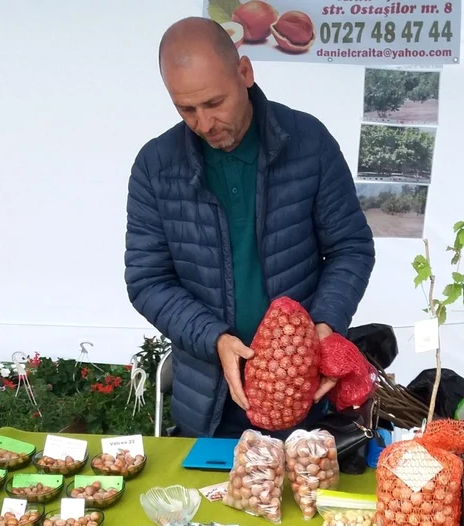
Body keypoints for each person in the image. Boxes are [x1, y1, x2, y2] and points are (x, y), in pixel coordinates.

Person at [124, 16, 375, 439]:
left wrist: (324, 327)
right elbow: (147, 280)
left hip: (303, 390)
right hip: (210, 398)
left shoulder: (308, 142)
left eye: (214, 103)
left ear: (244, 72)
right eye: (186, 109)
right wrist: (214, 338)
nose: (204, 124)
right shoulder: (155, 166)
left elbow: (350, 247)